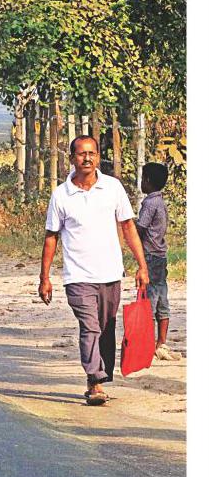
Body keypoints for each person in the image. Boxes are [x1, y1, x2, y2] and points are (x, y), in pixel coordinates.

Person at [39, 135, 149, 406]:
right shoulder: (61, 195)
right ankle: (94, 381)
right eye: (81, 154)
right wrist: (45, 278)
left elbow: (128, 227)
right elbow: (51, 236)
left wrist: (142, 265)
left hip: (110, 273)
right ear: (72, 158)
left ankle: (101, 374)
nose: (86, 158)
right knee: (90, 327)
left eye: (91, 153)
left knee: (106, 328)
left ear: (98, 157)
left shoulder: (113, 188)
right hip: (78, 277)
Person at [138, 162, 178, 360]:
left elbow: (141, 227)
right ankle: (161, 343)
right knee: (162, 299)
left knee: (148, 301)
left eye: (142, 178)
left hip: (149, 256)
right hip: (160, 256)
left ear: (147, 180)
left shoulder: (149, 203)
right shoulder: (160, 201)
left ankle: (145, 345)